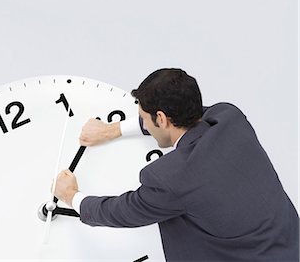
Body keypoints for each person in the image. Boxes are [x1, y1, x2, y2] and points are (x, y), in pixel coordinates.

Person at [53, 68, 299, 261]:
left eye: (143, 118)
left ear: (161, 118)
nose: (144, 123)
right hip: (290, 242)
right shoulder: (229, 117)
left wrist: (72, 196)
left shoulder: (172, 178)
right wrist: (113, 130)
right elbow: (195, 114)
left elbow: (121, 211)